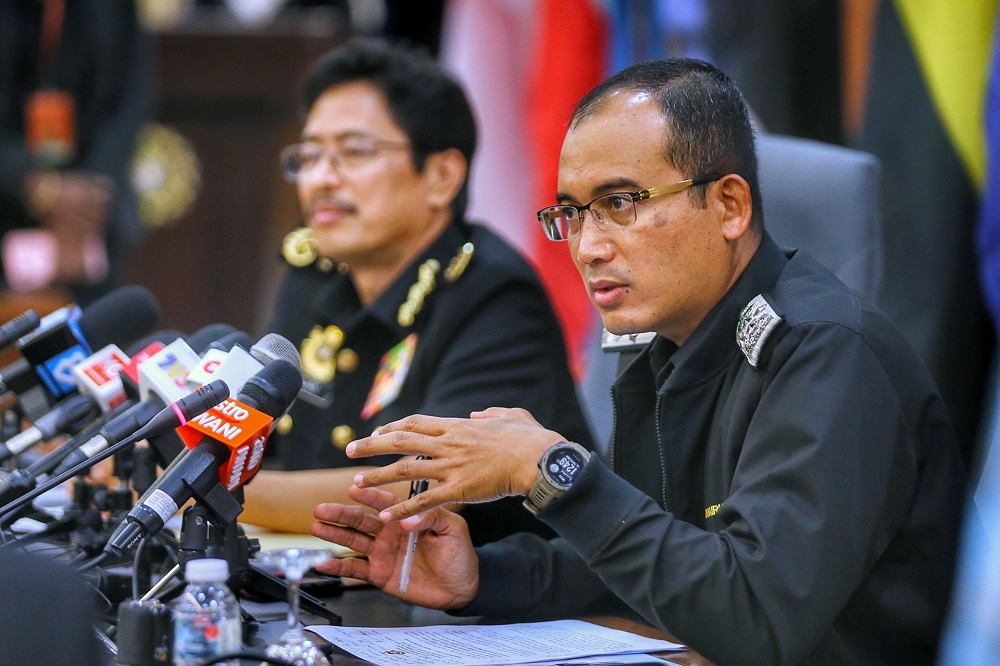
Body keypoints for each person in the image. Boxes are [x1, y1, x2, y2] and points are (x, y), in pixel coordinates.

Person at [310, 58, 970, 665]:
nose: (588, 247)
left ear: (730, 205)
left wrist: (553, 471)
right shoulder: (667, 340)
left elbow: (755, 617)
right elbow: (645, 562)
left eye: (620, 204)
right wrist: (482, 576)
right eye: (572, 213)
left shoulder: (827, 353)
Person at [240, 39, 594, 545]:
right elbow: (262, 441)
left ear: (441, 176)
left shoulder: (494, 295)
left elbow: (422, 490)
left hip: (490, 590)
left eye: (354, 152)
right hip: (334, 578)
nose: (320, 178)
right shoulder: (311, 277)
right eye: (309, 155)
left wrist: (210, 488)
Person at [0, 0, 152, 306]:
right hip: (7, 201)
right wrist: (35, 185)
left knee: (93, 324)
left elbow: (131, 95)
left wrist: (92, 187)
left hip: (92, 215)